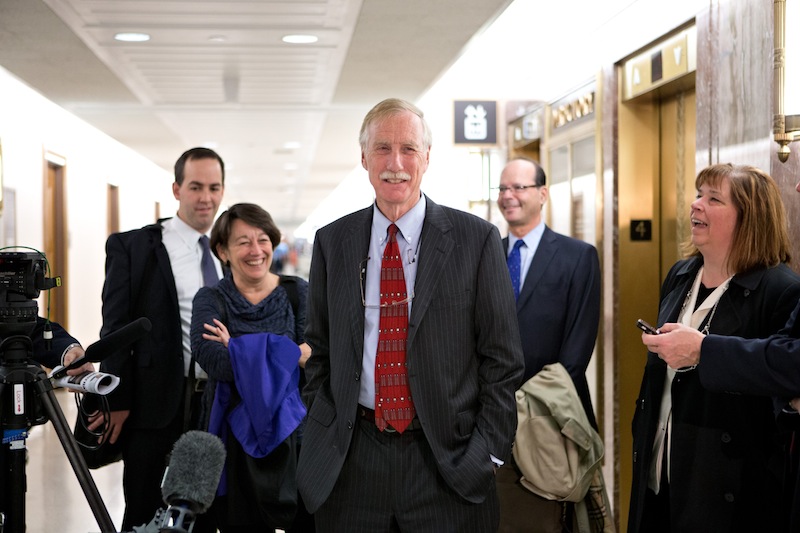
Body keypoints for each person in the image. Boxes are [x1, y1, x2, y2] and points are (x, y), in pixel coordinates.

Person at [296, 97, 525, 532]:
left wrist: (486, 453)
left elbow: (503, 360)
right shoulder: (333, 243)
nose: (395, 163)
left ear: (427, 158)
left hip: (448, 464)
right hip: (352, 463)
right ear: (363, 158)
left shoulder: (475, 240)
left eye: (408, 149)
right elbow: (320, 350)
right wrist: (323, 427)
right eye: (382, 148)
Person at [628, 163, 800, 533]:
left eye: (713, 199)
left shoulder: (779, 289)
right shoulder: (680, 274)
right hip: (660, 467)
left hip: (726, 485)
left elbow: (775, 383)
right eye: (698, 195)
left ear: (749, 218)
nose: (696, 205)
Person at [97, 147, 225, 531]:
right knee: (143, 510)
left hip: (214, 405)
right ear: (176, 189)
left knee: (204, 512)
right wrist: (115, 398)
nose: (206, 198)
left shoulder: (227, 251)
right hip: (155, 404)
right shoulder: (136, 247)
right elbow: (116, 327)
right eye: (196, 186)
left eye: (214, 187)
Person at [494, 157, 601, 532]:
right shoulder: (486, 254)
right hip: (491, 423)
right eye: (503, 189)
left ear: (542, 194)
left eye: (518, 188)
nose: (509, 196)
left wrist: (524, 405)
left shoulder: (578, 257)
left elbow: (576, 353)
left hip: (553, 420)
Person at [190, 203, 310, 532]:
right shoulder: (211, 298)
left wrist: (238, 346)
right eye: (243, 242)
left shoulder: (297, 293)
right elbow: (215, 362)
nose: (255, 251)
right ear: (223, 251)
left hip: (294, 436)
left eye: (263, 240)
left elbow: (317, 361)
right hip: (232, 442)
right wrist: (288, 352)